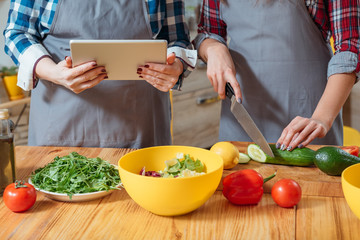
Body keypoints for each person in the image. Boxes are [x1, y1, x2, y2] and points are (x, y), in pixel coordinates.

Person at [3, 0, 197, 148]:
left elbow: (178, 39)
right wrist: (54, 72)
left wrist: (177, 65)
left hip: (142, 126)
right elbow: (17, 33)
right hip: (60, 125)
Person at [193, 0, 359, 150]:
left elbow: (350, 46)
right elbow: (208, 31)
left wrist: (321, 118)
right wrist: (214, 48)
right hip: (242, 115)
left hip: (309, 116)